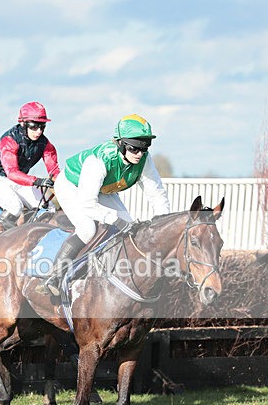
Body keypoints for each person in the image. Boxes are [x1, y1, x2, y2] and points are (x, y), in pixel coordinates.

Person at [36, 114, 172, 296]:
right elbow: (87, 204)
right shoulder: (99, 161)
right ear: (121, 144)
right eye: (134, 148)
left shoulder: (144, 160)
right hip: (71, 186)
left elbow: (156, 194)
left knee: (129, 229)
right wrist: (114, 219)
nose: (140, 154)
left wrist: (163, 222)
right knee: (87, 229)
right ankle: (53, 277)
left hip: (102, 190)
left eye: (145, 147)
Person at [0, 102, 60, 229]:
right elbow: (12, 172)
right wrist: (38, 180)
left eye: (42, 127)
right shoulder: (9, 140)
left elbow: (54, 170)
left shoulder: (45, 143)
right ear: (22, 124)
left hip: (21, 181)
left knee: (49, 209)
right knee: (15, 207)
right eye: (34, 127)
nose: (38, 131)